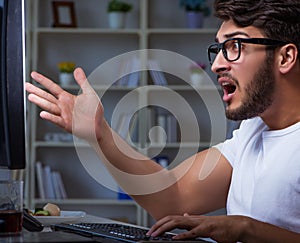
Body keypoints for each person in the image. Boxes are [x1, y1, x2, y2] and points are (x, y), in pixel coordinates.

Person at [26, 0, 300, 242]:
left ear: (285, 57)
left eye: (235, 46)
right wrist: (100, 134)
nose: (217, 64)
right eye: (218, 48)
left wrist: (245, 229)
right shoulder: (252, 131)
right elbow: (174, 195)